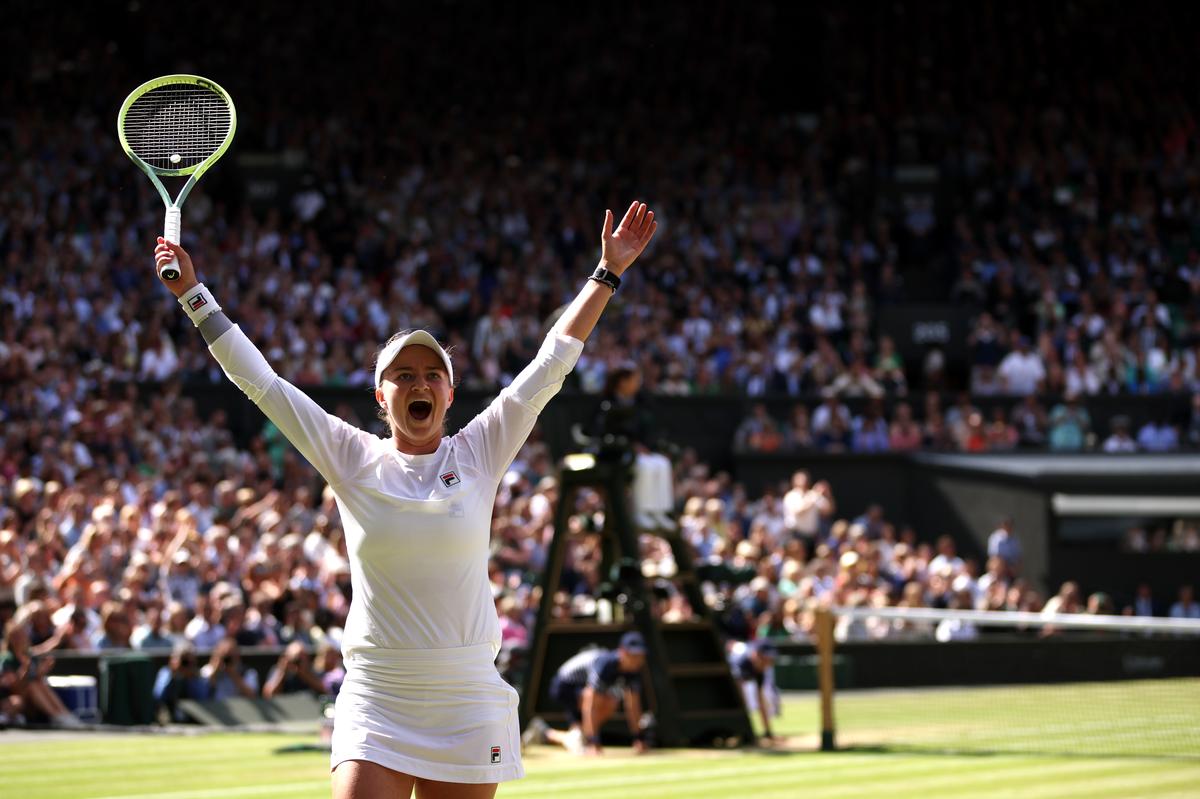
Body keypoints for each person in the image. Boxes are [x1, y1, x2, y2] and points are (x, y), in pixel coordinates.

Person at [152, 199, 656, 798]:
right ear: (380, 396)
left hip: (467, 692)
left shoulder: (481, 448)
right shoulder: (349, 455)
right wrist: (193, 294)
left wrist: (607, 272)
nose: (418, 382)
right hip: (377, 692)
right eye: (402, 374)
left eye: (430, 374)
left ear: (449, 392)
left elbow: (551, 364)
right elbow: (260, 382)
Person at [536, 632, 649, 756]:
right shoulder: (606, 664)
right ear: (622, 651)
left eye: (640, 656)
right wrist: (593, 742)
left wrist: (639, 738)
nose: (638, 660)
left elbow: (633, 705)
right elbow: (590, 705)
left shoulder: (634, 670)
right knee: (608, 701)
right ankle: (585, 739)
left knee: (609, 703)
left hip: (580, 688)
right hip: (564, 686)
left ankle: (546, 733)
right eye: (634, 655)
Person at [728, 639, 780, 744]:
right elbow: (738, 696)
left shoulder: (761, 668)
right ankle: (737, 732)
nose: (768, 662)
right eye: (765, 658)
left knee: (762, 699)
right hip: (725, 678)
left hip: (746, 671)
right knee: (738, 701)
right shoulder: (741, 661)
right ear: (756, 655)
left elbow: (760, 700)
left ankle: (766, 732)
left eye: (770, 659)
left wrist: (768, 731)